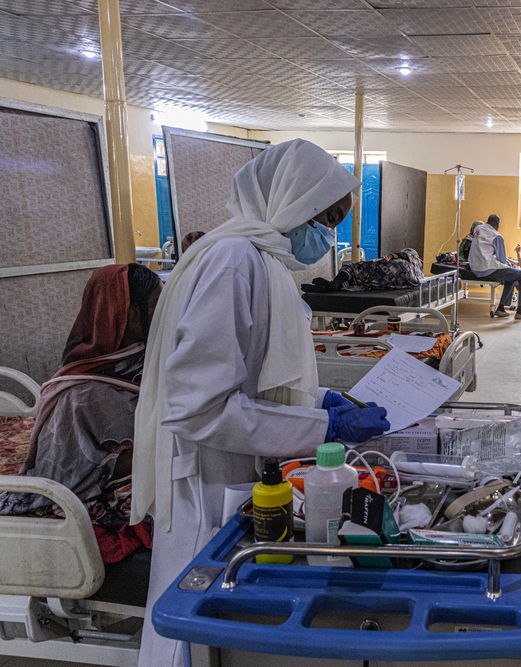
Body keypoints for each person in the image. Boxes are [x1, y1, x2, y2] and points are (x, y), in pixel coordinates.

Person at [131, 140, 391, 667]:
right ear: (287, 203)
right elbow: (198, 407)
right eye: (325, 219)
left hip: (237, 462)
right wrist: (321, 426)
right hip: (206, 474)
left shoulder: (260, 260)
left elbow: (255, 374)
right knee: (193, 630)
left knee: (227, 626)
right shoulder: (232, 262)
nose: (327, 236)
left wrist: (322, 398)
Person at [0, 264, 162, 563]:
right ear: (123, 313)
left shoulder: (146, 360)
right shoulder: (80, 395)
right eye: (154, 303)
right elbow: (66, 476)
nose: (162, 311)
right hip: (89, 493)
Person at [468, 213, 521, 320]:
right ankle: (520, 311)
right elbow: (501, 259)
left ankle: (501, 309)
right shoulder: (497, 236)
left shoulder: (478, 228)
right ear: (498, 224)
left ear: (487, 221)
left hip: (474, 267)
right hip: (487, 269)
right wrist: (509, 263)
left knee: (512, 276)